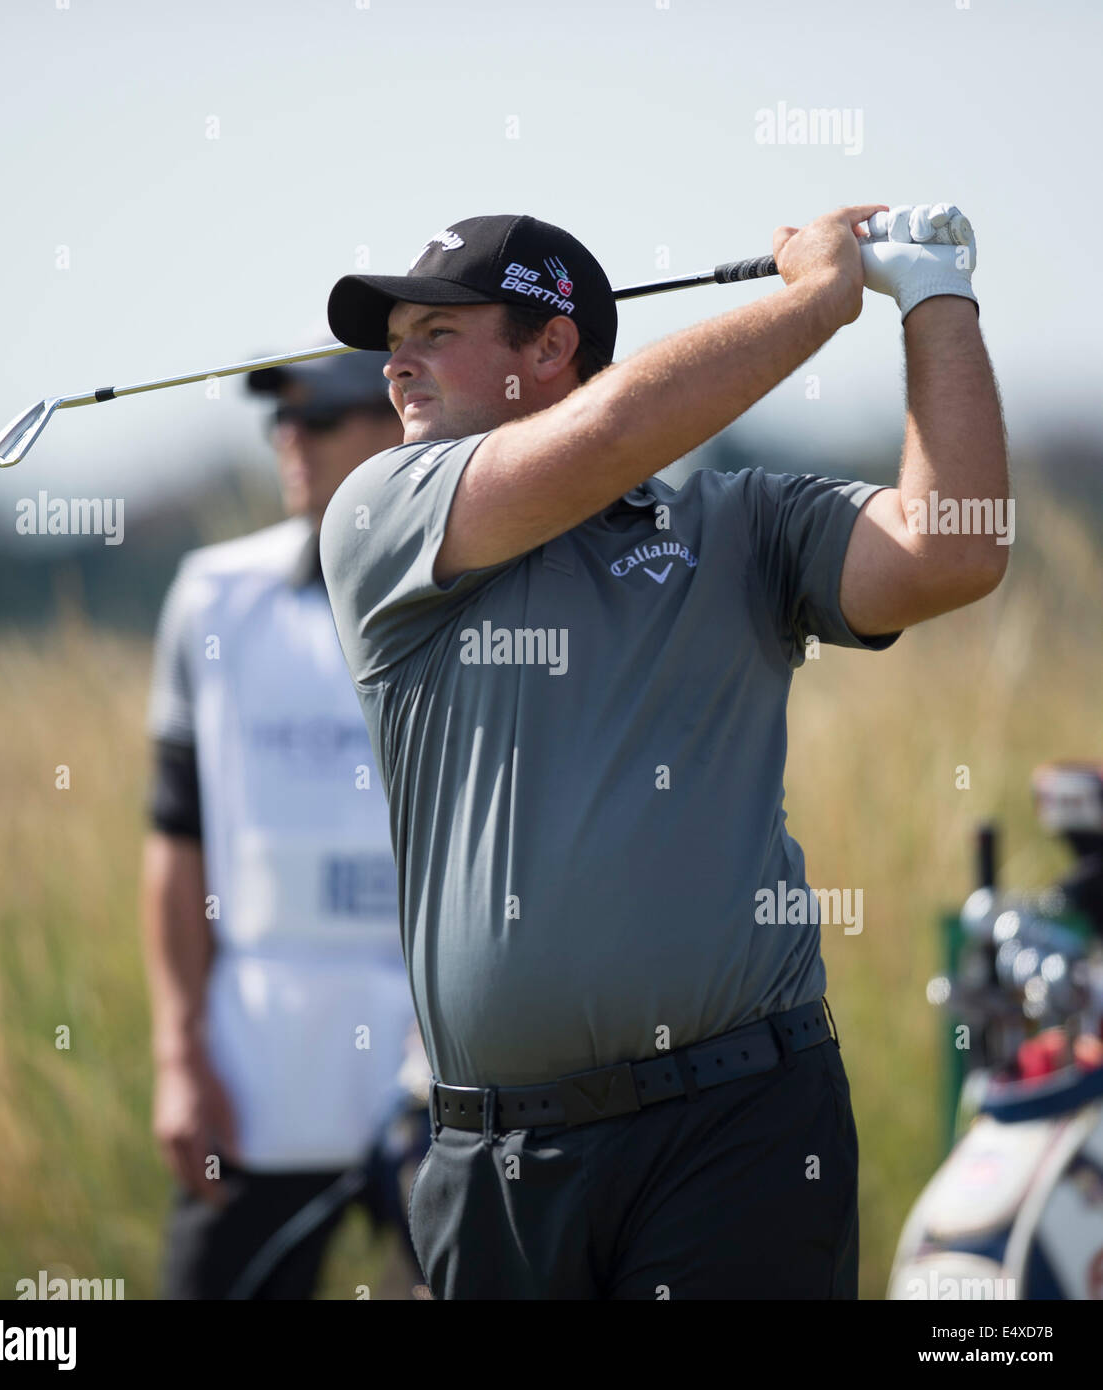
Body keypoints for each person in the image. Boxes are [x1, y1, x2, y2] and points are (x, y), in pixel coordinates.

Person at [317, 206, 1010, 1299]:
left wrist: (932, 298)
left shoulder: (738, 523)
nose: (395, 361)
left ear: (549, 349)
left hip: (737, 1123)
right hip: (496, 1157)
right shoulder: (385, 513)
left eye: (437, 332)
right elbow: (599, 440)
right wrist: (813, 302)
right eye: (393, 335)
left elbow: (953, 546)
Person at [141, 343, 430, 1300]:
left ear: (397, 420)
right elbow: (174, 842)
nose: (290, 439)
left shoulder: (478, 587)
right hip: (262, 1055)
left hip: (442, 1044)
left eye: (320, 417)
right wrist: (179, 1056)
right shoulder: (212, 598)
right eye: (281, 421)